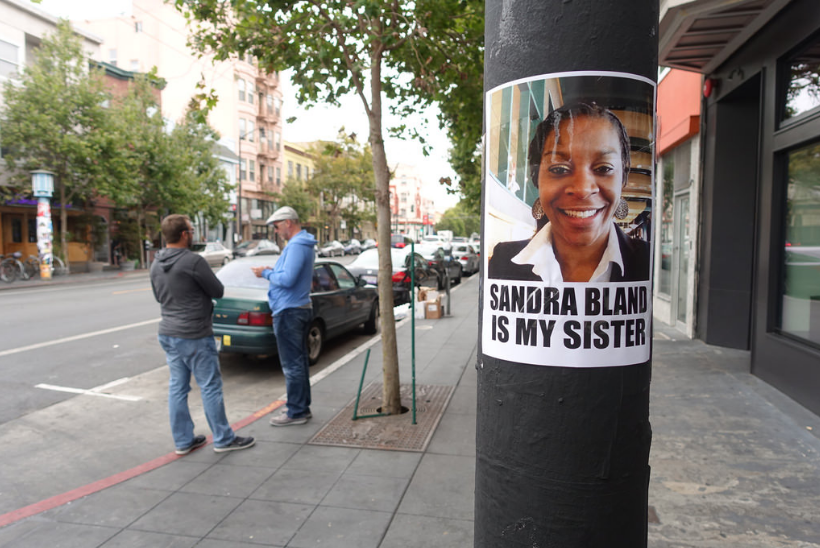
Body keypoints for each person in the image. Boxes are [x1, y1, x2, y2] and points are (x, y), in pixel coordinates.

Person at [488, 102, 649, 283]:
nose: (582, 189)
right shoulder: (503, 261)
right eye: (559, 169)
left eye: (603, 168)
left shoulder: (647, 261)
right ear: (536, 179)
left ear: (623, 179)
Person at [150, 214, 255, 454]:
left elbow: (159, 297)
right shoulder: (193, 261)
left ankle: (183, 441)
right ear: (184, 234)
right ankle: (223, 438)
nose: (194, 233)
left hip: (168, 332)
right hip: (194, 333)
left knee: (178, 387)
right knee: (209, 386)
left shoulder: (155, 263)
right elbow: (217, 290)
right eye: (191, 229)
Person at [251, 206, 317, 426]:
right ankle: (301, 408)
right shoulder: (300, 244)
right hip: (296, 309)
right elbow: (290, 276)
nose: (276, 231)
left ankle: (296, 412)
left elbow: (287, 280)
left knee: (292, 365)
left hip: (290, 311)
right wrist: (274, 271)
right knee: (298, 362)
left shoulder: (297, 245)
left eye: (277, 226)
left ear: (288, 222)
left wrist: (266, 273)